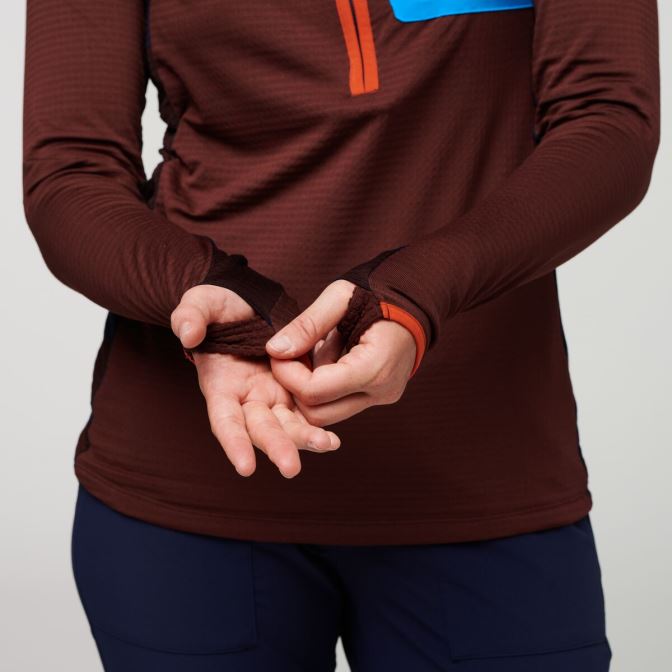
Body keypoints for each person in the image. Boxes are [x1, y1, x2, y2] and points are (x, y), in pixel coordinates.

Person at [23, 1, 659, 670]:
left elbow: (608, 119)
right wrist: (207, 294)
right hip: (190, 484)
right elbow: (73, 171)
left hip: (486, 475)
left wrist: (418, 293)